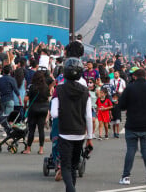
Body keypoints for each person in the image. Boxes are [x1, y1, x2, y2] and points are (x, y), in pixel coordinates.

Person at [51, 57, 93, 192]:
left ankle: (71, 189)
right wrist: (90, 137)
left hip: (64, 131)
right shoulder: (85, 91)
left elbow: (54, 113)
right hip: (80, 132)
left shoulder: (59, 89)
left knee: (66, 166)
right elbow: (88, 116)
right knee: (74, 165)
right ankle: (72, 188)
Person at [119, 68, 146, 185]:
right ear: (145, 76)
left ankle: (125, 177)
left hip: (132, 124)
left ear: (135, 77)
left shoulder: (129, 88)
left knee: (131, 151)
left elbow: (121, 105)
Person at [23, 70, 50, 155]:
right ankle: (41, 149)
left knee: (32, 129)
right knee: (41, 129)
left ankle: (28, 149)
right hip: (43, 109)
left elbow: (26, 99)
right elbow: (47, 98)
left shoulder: (32, 86)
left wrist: (25, 106)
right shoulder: (46, 87)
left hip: (33, 108)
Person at [0, 65, 22, 134]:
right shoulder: (12, 79)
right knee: (10, 117)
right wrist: (19, 99)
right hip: (10, 99)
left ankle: (6, 129)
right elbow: (16, 90)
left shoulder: (0, 79)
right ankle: (9, 131)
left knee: (5, 115)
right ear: (10, 71)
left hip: (3, 100)